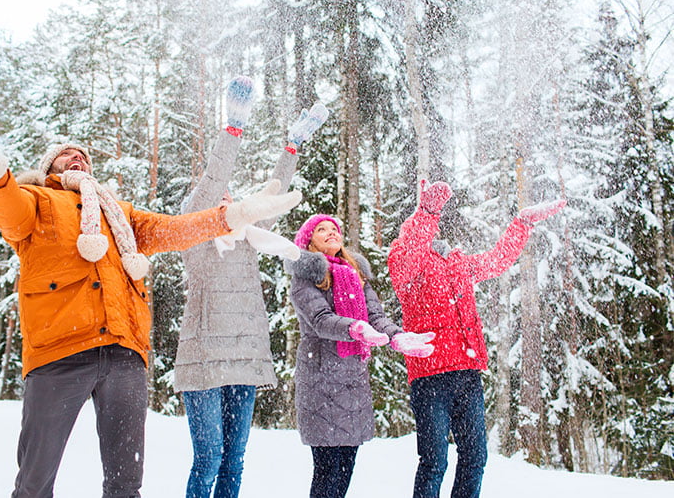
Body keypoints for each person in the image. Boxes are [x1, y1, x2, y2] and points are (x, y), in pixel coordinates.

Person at [0, 113, 301, 498]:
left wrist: (232, 216)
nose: (78, 158)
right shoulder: (38, 201)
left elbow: (172, 230)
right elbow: (6, 207)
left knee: (125, 484)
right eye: (66, 155)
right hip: (59, 352)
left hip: (124, 352)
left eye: (83, 156)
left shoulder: (118, 212)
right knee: (35, 482)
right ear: (48, 168)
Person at [173, 76, 328, 498]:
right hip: (204, 362)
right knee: (208, 458)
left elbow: (273, 194)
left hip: (245, 360)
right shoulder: (196, 242)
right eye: (214, 196)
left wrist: (292, 147)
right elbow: (211, 179)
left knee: (233, 460)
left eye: (229, 194)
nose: (224, 197)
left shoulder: (250, 238)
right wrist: (233, 129)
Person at [387, 179, 566, 498]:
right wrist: (426, 210)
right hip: (430, 377)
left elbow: (498, 260)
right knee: (434, 462)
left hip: (467, 375)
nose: (429, 230)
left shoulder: (457, 264)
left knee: (475, 458)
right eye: (420, 227)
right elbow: (415, 244)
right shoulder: (405, 262)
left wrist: (521, 223)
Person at [285, 214, 436, 498]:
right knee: (328, 471)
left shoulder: (356, 274)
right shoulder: (304, 277)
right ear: (309, 241)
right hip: (320, 381)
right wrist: (354, 328)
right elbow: (320, 319)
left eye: (334, 228)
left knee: (346, 468)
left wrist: (396, 336)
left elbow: (375, 317)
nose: (331, 232)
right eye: (321, 230)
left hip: (353, 380)